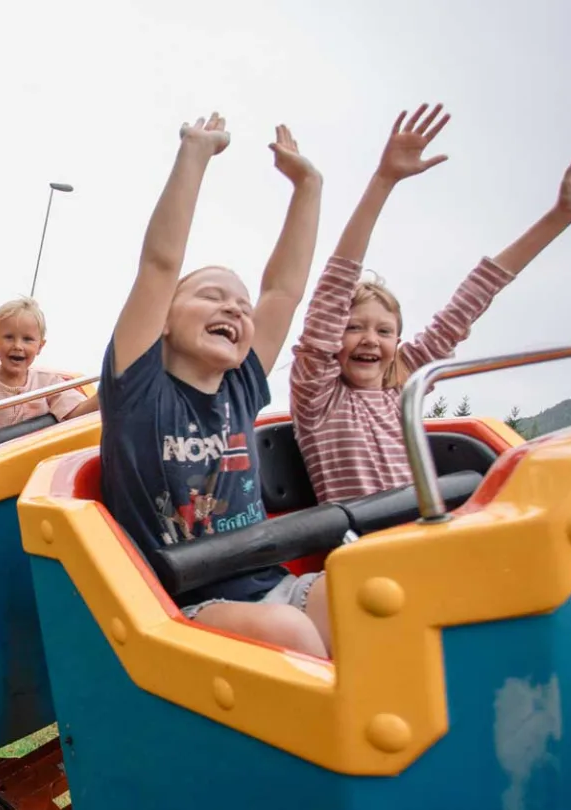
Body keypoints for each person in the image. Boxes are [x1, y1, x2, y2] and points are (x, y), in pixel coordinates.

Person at [290, 103, 571, 506]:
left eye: (384, 331)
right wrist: (384, 180)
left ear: (398, 342)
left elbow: (473, 298)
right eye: (354, 327)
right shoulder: (318, 396)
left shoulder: (403, 389)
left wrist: (559, 218)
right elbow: (334, 287)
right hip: (363, 548)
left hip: (424, 532)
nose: (370, 339)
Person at [99, 113, 328, 658]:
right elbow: (159, 265)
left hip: (265, 586)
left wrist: (308, 187)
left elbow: (285, 289)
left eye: (242, 306)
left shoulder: (242, 385)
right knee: (294, 635)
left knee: (358, 586)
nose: (233, 306)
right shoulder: (139, 392)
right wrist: (195, 154)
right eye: (210, 295)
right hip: (180, 605)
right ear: (164, 322)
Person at [0, 296, 98, 438]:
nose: (17, 346)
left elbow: (76, 413)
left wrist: (107, 393)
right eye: (9, 337)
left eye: (27, 339)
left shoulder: (48, 382)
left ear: (40, 346)